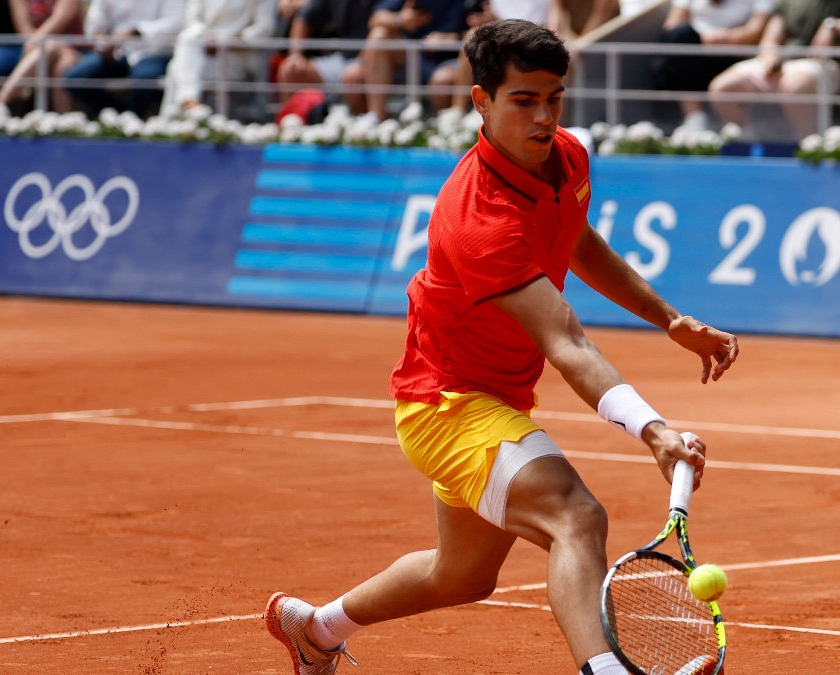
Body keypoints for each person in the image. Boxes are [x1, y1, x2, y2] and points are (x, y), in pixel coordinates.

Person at [263, 18, 740, 675]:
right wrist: (652, 429)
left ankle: (314, 627)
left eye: (554, 97)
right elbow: (567, 341)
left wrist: (669, 318)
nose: (544, 117)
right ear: (481, 101)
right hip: (447, 404)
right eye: (523, 100)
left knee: (461, 574)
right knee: (576, 515)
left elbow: (576, 238)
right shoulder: (480, 218)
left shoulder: (566, 156)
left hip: (497, 395)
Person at [707, 0, 840, 139]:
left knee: (793, 86)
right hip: (782, 63)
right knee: (722, 88)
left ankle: (808, 148)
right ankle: (756, 143)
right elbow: (770, 38)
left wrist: (834, 26)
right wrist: (771, 58)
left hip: (823, 64)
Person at [651, 0, 773, 132]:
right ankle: (691, 119)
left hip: (729, 56)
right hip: (688, 52)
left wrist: (725, 38)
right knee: (681, 39)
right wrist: (702, 39)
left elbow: (755, 31)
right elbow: (672, 25)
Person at [345, 0, 467, 119]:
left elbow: (477, 29)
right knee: (379, 35)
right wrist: (400, 20)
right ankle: (375, 117)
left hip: (450, 59)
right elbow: (375, 19)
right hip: (410, 59)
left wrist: (452, 38)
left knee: (443, 80)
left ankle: (443, 129)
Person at [61, 0, 184, 118]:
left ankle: (130, 121)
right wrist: (103, 45)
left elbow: (176, 22)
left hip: (153, 51)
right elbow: (96, 25)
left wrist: (136, 31)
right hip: (117, 52)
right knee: (75, 78)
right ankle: (118, 119)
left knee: (145, 77)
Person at [159, 0, 277, 116]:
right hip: (201, 47)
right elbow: (191, 20)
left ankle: (172, 119)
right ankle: (190, 106)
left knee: (176, 68)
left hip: (236, 55)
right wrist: (208, 39)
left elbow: (264, 27)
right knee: (187, 42)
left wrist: (226, 43)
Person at [447, 0, 552, 113]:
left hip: (534, 40)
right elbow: (494, 15)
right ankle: (458, 111)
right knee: (472, 37)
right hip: (502, 36)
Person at [273, 0, 377, 108]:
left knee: (353, 79)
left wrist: (360, 63)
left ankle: (362, 122)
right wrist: (296, 54)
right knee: (291, 70)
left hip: (371, 61)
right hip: (340, 58)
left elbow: (378, 31)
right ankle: (290, 119)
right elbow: (305, 16)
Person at [0, 0, 84, 112]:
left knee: (61, 66)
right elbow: (24, 30)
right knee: (49, 48)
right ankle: (63, 123)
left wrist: (44, 43)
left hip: (73, 49)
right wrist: (51, 45)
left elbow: (61, 18)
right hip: (32, 50)